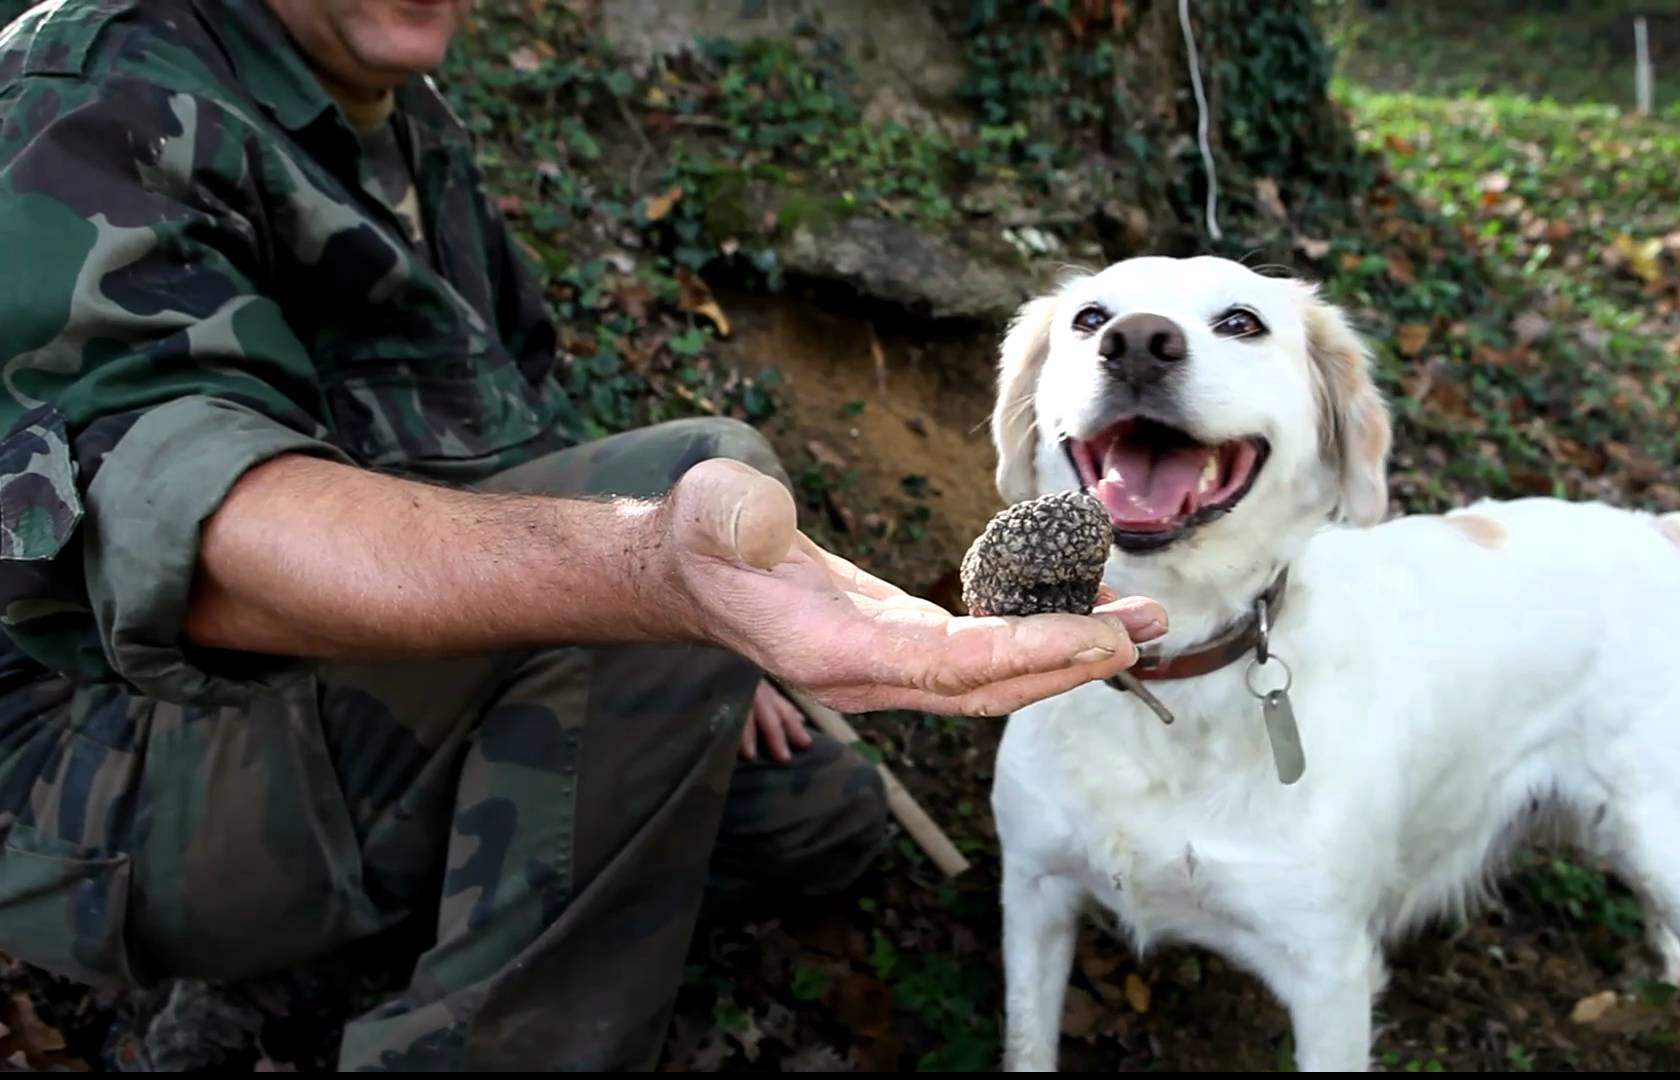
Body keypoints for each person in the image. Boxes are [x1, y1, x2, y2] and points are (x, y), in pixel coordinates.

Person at [0, 0, 1165, 1070]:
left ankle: (329, 947)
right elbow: (180, 525)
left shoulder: (414, 131)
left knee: (820, 817)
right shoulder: (95, 83)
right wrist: (645, 577)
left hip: (360, 707)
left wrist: (699, 639)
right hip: (103, 782)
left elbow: (511, 439)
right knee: (685, 487)